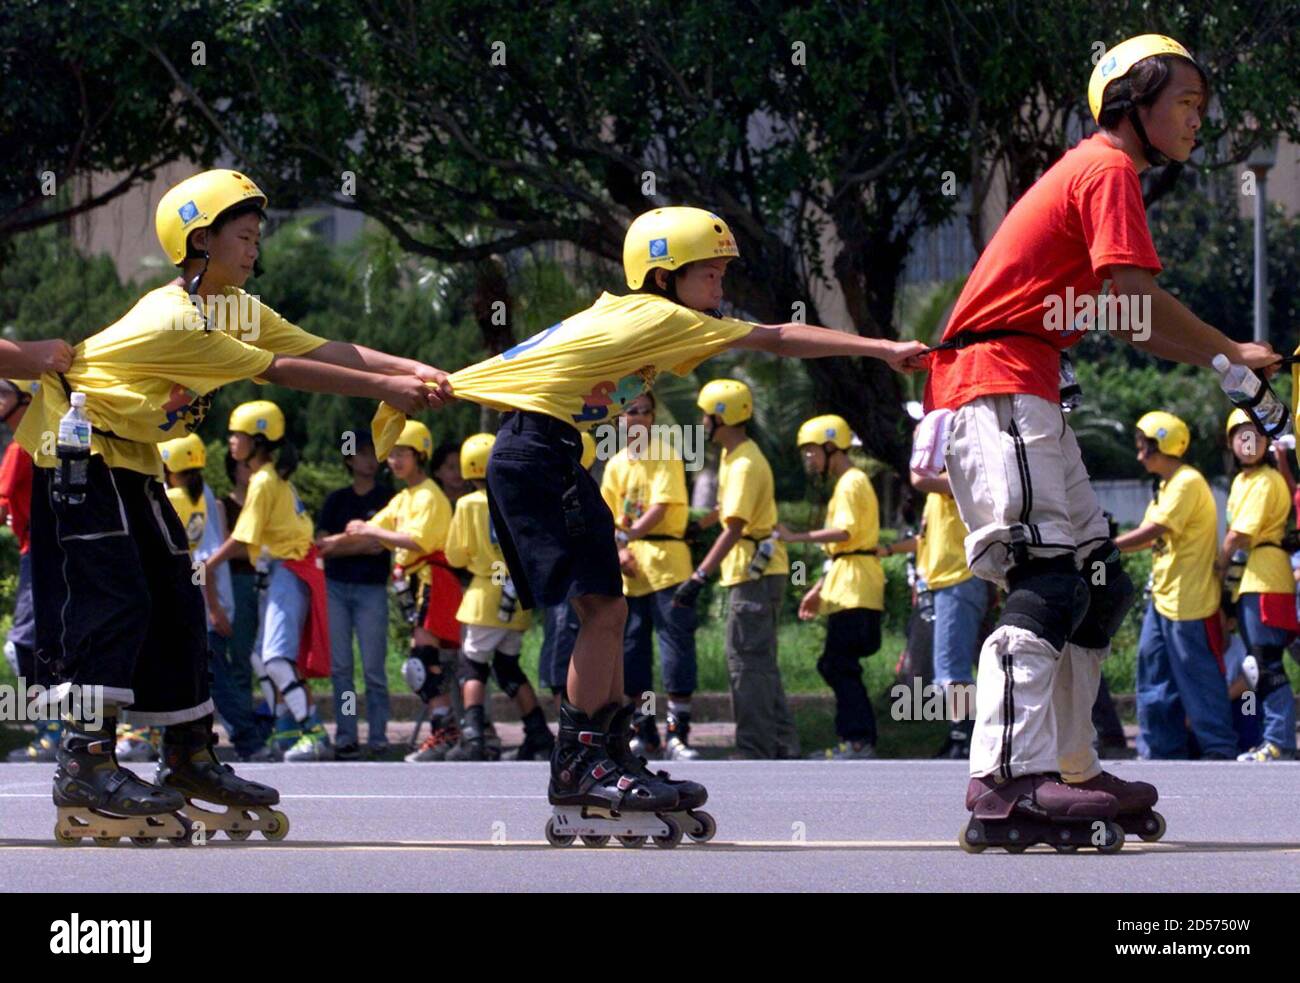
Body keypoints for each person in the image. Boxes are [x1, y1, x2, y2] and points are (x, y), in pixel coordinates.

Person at [375, 205, 926, 842]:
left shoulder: (630, 314)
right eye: (711, 276)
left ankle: (606, 755)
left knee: (607, 612)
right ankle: (581, 766)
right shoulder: (662, 316)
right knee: (604, 613)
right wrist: (882, 348)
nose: (721, 289)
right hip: (535, 456)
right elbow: (776, 336)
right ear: (664, 279)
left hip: (549, 454)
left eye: (723, 275)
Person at [922, 35, 1275, 852]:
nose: (1198, 118)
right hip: (997, 379)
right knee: (1048, 573)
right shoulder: (1106, 167)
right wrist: (1232, 353)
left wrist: (1227, 359)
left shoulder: (1101, 172)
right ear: (1133, 101)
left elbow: (1133, 320)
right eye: (1184, 101)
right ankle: (1004, 778)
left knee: (1097, 579)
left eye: (1199, 105)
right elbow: (1139, 305)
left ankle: (1071, 770)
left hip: (1028, 381)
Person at [24, 168, 446, 843]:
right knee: (115, 602)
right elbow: (275, 369)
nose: (255, 251)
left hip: (130, 461)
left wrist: (409, 368)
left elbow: (310, 345)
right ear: (200, 241)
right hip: (77, 459)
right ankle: (85, 762)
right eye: (244, 237)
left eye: (256, 238)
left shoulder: (233, 306)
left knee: (179, 601)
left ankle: (189, 757)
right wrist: (385, 387)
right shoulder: (176, 316)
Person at [204, 400, 334, 766]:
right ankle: (288, 729)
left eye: (238, 434)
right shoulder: (273, 477)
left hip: (289, 570)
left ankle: (314, 731)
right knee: (262, 658)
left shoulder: (262, 481)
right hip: (284, 570)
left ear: (258, 440)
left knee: (276, 658)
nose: (231, 441)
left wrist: (207, 565)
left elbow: (244, 540)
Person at [681, 379, 799, 761]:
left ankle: (754, 747)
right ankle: (781, 742)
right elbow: (728, 509)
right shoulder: (736, 457)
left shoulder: (744, 462)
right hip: (756, 571)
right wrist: (698, 526)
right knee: (759, 661)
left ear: (722, 417)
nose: (701, 421)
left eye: (706, 414)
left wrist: (699, 576)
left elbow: (734, 527)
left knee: (745, 663)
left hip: (753, 574)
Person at [1116, 412, 1236, 760]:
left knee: (1197, 677)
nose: (1140, 456)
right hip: (1163, 597)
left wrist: (1108, 545)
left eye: (1145, 449)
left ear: (1166, 445)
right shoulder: (1165, 487)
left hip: (1190, 600)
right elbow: (1148, 536)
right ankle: (1159, 751)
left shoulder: (1187, 481)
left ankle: (1219, 749)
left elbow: (1154, 532)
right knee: (1153, 674)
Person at [343, 420, 460, 763]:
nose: (392, 460)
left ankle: (446, 730)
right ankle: (448, 727)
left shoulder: (428, 495)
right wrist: (326, 544)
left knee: (421, 662)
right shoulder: (404, 496)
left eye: (400, 453)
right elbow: (372, 530)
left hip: (430, 580)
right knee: (422, 664)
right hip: (412, 583)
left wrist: (368, 529)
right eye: (390, 454)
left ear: (419, 454)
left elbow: (417, 541)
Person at [600, 391, 702, 760]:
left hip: (667, 565)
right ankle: (643, 731)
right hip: (629, 572)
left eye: (646, 412)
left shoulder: (665, 454)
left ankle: (678, 734)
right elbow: (606, 517)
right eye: (632, 412)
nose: (640, 418)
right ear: (620, 420)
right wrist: (619, 550)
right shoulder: (615, 465)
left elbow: (660, 507)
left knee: (675, 649)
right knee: (633, 654)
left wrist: (626, 536)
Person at [443, 432, 554, 761]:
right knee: (508, 669)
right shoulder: (518, 498)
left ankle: (473, 736)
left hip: (484, 596)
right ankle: (538, 734)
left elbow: (454, 556)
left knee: (472, 667)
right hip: (517, 594)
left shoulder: (466, 504)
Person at [782, 414, 884, 760]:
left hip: (857, 588)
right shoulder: (847, 482)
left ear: (831, 446)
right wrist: (818, 590)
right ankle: (858, 739)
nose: (808, 458)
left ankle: (857, 740)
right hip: (849, 583)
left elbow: (844, 534)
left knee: (837, 663)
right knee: (838, 664)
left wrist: (796, 536)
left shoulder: (851, 481)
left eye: (812, 451)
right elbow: (845, 547)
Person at [158, 432, 262, 761]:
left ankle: (248, 738)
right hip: (201, 605)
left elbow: (201, 564)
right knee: (205, 679)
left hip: (198, 608)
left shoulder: (175, 498)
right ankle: (193, 741)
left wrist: (213, 609)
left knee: (213, 681)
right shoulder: (203, 495)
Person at [1220, 408, 1297, 762]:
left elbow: (1238, 536)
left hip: (1268, 577)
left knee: (1267, 663)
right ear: (1230, 441)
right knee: (1262, 664)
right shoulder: (1241, 482)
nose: (1247, 441)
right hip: (1253, 578)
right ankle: (1275, 739)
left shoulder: (1266, 479)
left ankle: (1279, 741)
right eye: (1240, 434)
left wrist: (1216, 570)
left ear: (1266, 441)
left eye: (1254, 434)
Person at [316, 431, 394, 759]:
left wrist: (339, 544)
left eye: (374, 453)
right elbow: (320, 546)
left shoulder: (388, 497)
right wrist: (354, 543)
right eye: (362, 453)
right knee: (342, 668)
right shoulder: (337, 500)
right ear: (349, 458)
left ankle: (378, 734)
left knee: (374, 667)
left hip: (372, 590)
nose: (370, 460)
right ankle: (347, 732)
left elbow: (380, 543)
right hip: (336, 589)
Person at [1, 380, 60, 762]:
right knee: (50, 645)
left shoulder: (23, 444)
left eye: (2, 392)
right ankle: (63, 729)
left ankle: (50, 731)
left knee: (21, 645)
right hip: (51, 551)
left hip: (39, 553)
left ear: (26, 397)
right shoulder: (43, 437)